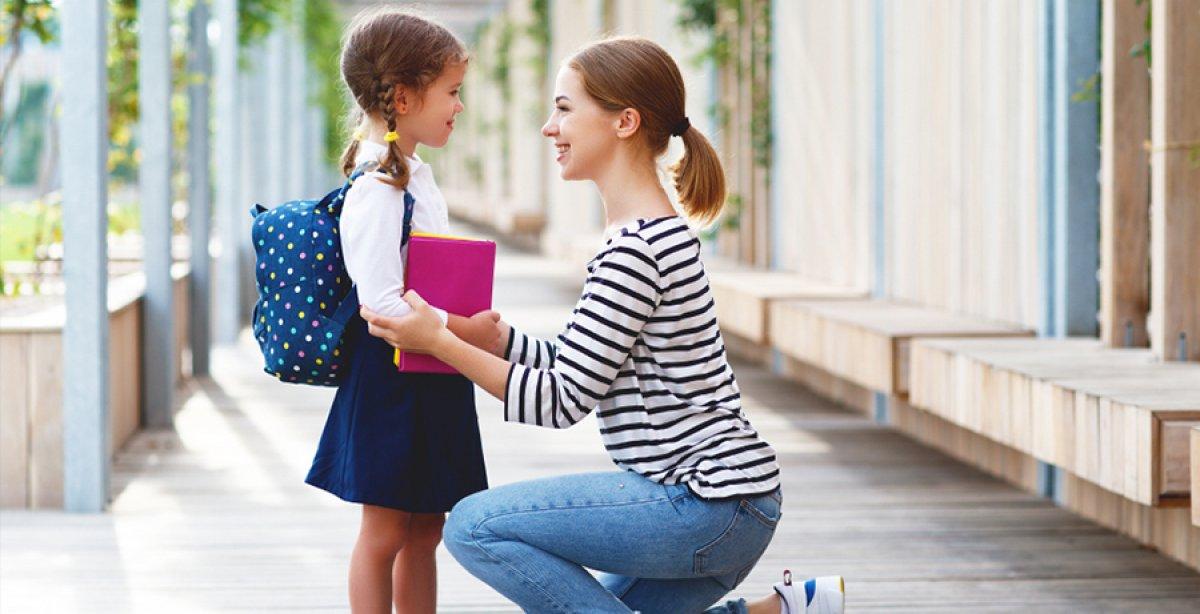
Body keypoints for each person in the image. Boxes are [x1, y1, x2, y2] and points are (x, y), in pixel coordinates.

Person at [360, 36, 845, 614]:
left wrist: (438, 341)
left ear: (624, 122)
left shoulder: (635, 251)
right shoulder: (648, 236)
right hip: (731, 504)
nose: (549, 128)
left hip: (704, 504)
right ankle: (782, 609)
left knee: (472, 526)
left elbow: (560, 401)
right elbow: (586, 360)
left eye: (564, 109)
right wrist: (500, 341)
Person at [303, 8, 501, 613]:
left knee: (426, 530)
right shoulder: (378, 188)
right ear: (404, 96)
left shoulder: (412, 176)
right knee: (386, 532)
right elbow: (381, 306)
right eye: (452, 92)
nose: (459, 106)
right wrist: (465, 330)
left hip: (429, 373)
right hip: (393, 377)